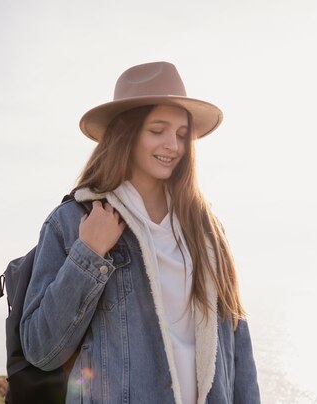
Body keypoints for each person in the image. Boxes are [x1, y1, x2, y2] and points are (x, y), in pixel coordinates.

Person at [20, 62, 261, 403]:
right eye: (157, 130)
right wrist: (88, 254)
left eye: (181, 133)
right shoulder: (73, 222)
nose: (173, 145)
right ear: (127, 134)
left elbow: (238, 343)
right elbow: (41, 348)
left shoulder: (205, 228)